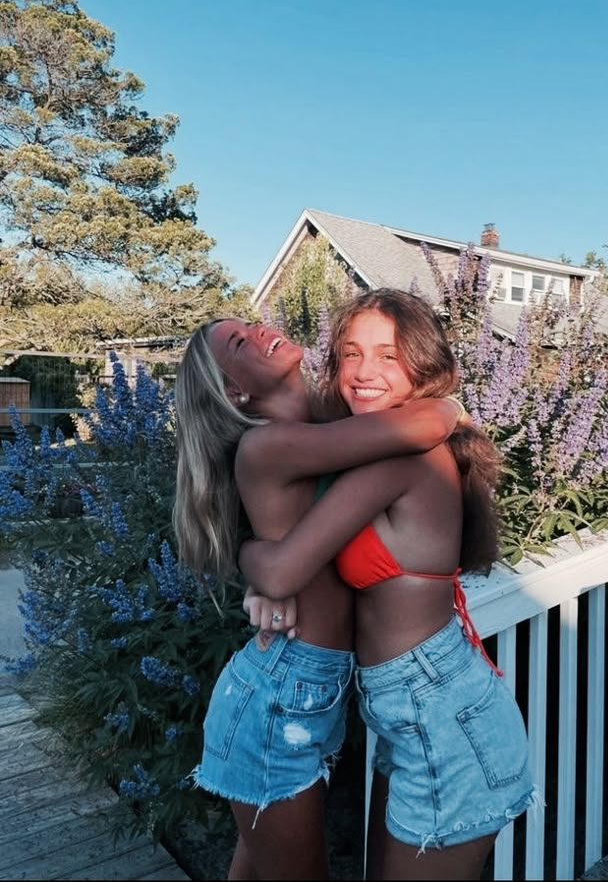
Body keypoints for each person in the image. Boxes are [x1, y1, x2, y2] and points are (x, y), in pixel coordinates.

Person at [238, 289, 537, 881]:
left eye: (389, 356)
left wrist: (248, 560)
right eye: (350, 353)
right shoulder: (389, 441)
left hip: (444, 715)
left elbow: (282, 568)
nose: (364, 372)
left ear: (423, 367)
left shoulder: (400, 456)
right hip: (417, 708)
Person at [172, 314, 464, 881]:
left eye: (252, 324)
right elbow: (420, 424)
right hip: (279, 690)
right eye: (240, 342)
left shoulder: (324, 431)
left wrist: (256, 566)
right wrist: (453, 407)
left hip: (307, 689)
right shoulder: (269, 443)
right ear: (236, 390)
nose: (260, 331)